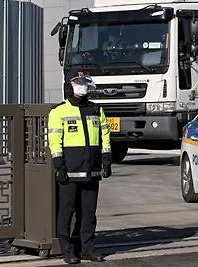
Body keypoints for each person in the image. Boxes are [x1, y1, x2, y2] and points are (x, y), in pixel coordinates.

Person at [48, 71, 112, 264]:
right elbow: (54, 140)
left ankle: (87, 249)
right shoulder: (58, 111)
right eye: (78, 82)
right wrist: (59, 166)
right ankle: (67, 250)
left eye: (84, 81)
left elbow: (105, 137)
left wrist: (106, 162)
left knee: (89, 213)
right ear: (69, 86)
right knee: (66, 212)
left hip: (92, 170)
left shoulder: (96, 109)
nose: (82, 85)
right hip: (69, 171)